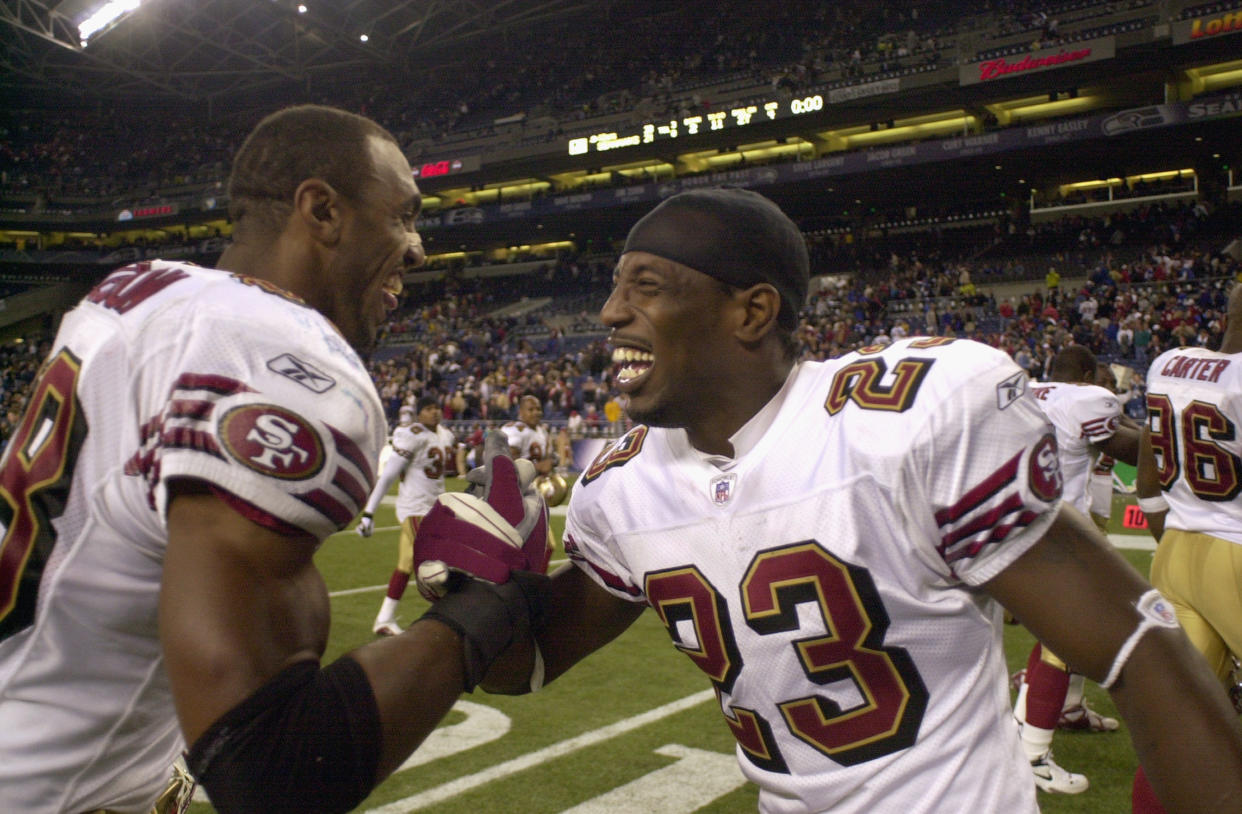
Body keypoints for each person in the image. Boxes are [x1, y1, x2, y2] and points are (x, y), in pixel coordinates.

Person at [421, 187, 1242, 813]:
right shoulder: (620, 488)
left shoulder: (905, 421)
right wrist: (476, 597)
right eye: (613, 287)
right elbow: (524, 666)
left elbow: (1138, 649)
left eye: (646, 286)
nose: (609, 314)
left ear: (752, 311)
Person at [0, 105, 545, 813]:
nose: (417, 249)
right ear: (322, 210)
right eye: (404, 216)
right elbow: (271, 773)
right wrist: (486, 610)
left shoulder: (138, 288)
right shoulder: (273, 354)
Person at [1130, 282, 1242, 813]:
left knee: (1173, 731)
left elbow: (1148, 481)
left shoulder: (1169, 364)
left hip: (1176, 550)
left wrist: (1170, 538)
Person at [1010, 344, 1141, 794]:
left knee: (1087, 621)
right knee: (1065, 637)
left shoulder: (1021, 388)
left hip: (1007, 524)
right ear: (1087, 374)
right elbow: (1130, 450)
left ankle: (1066, 708)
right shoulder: (1086, 399)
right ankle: (1031, 753)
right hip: (1055, 532)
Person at [357, 397, 458, 635]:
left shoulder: (445, 434)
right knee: (439, 560)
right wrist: (369, 512)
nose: (434, 412)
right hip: (414, 508)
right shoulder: (411, 434)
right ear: (418, 414)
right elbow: (389, 475)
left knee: (405, 565)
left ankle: (384, 618)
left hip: (435, 508)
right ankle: (447, 619)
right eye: (428, 408)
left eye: (436, 408)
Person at [503, 394, 554, 477]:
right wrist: (537, 467)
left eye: (538, 409)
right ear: (520, 412)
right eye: (531, 410)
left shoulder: (543, 431)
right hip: (516, 484)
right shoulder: (513, 429)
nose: (536, 413)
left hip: (536, 481)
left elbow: (546, 461)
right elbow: (508, 465)